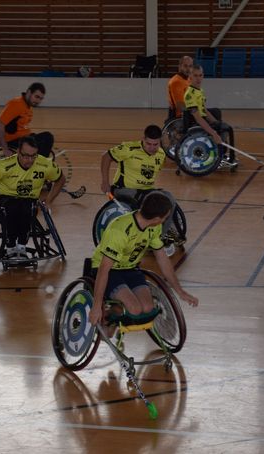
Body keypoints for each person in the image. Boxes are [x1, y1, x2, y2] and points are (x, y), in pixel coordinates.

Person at [88, 191, 198, 326]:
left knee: (147, 308)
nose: (165, 221)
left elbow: (163, 259)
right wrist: (96, 305)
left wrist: (180, 291)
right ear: (157, 218)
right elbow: (104, 270)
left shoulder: (154, 227)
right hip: (109, 270)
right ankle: (109, 316)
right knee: (134, 309)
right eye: (165, 218)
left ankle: (118, 309)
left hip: (130, 268)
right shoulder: (120, 230)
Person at [0, 135, 66, 259]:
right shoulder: (4, 166)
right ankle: (11, 245)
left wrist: (49, 201)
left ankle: (21, 246)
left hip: (29, 200)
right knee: (13, 208)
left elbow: (61, 179)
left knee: (26, 208)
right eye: (25, 155)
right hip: (5, 198)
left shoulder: (45, 165)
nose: (29, 160)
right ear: (18, 152)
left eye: (33, 155)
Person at [100, 124, 180, 255]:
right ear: (143, 139)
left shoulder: (160, 154)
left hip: (147, 190)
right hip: (124, 190)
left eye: (156, 144)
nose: (152, 148)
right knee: (153, 201)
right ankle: (156, 237)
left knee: (169, 197)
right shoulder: (129, 148)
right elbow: (106, 156)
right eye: (149, 144)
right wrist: (105, 181)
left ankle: (161, 235)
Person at [183, 64, 237, 166]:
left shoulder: (200, 91)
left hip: (203, 119)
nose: (198, 78)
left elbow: (204, 110)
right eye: (195, 75)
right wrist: (213, 133)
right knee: (222, 130)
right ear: (190, 77)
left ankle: (229, 156)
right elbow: (198, 118)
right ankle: (220, 156)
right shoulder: (190, 94)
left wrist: (216, 122)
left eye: (200, 75)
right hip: (196, 123)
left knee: (226, 127)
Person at [0, 82, 55, 158]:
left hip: (24, 139)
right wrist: (5, 148)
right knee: (47, 137)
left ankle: (38, 163)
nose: (38, 101)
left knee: (44, 139)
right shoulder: (16, 104)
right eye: (36, 97)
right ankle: (40, 165)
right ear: (29, 92)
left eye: (41, 98)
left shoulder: (28, 106)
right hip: (15, 141)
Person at [166, 55, 193, 122]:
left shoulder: (188, 80)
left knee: (215, 112)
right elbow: (180, 106)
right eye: (185, 66)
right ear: (180, 66)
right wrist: (196, 112)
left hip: (188, 113)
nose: (188, 69)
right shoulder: (176, 81)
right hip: (181, 117)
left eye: (190, 66)